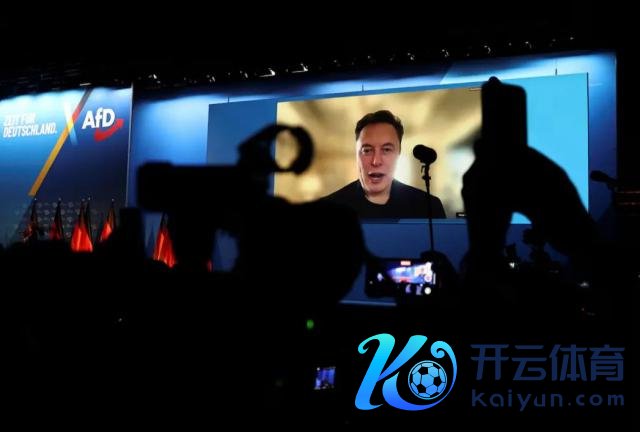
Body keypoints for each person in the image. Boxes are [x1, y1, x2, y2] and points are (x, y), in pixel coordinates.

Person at [323, 110, 446, 219]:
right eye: (367, 150)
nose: (376, 161)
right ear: (356, 154)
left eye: (386, 150)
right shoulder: (326, 210)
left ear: (398, 153)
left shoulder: (429, 207)